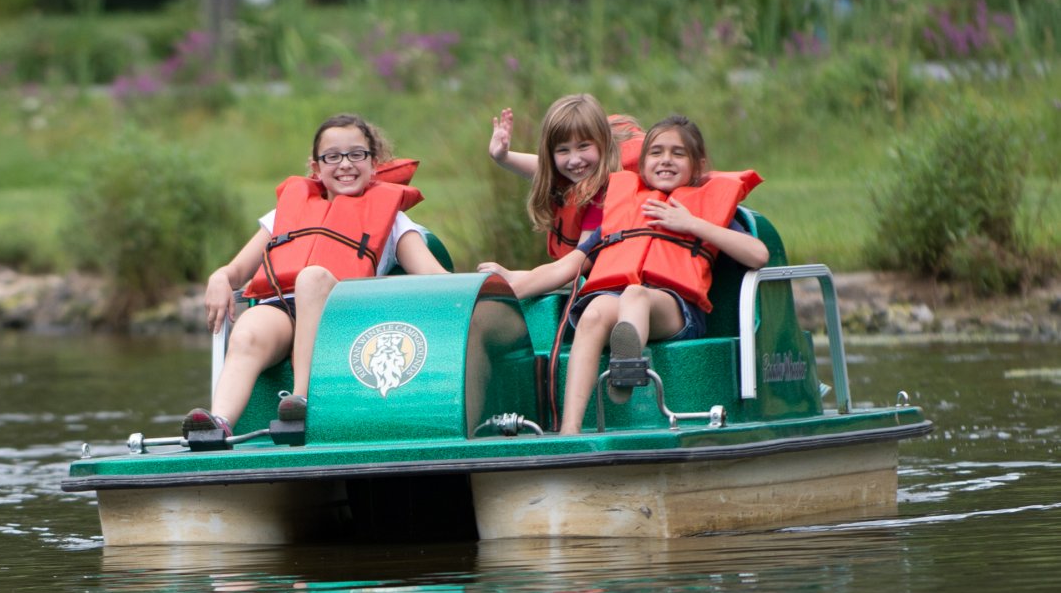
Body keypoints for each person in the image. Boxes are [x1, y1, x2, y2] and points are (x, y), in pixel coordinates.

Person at [480, 114, 768, 435]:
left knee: (635, 294)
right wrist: (506, 287)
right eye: (656, 153)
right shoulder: (624, 212)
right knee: (594, 311)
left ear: (698, 165)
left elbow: (758, 254)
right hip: (619, 303)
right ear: (642, 164)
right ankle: (570, 429)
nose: (666, 161)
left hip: (675, 312)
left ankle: (626, 369)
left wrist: (691, 224)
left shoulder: (703, 210)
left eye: (678, 153)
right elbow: (565, 268)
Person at [182, 114, 449, 438]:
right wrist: (220, 277)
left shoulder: (394, 221)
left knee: (312, 278)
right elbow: (238, 270)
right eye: (332, 156)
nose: (345, 165)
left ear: (374, 162)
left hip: (344, 320)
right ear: (315, 167)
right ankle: (218, 424)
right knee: (249, 332)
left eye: (356, 154)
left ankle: (301, 401)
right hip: (284, 309)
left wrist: (495, 286)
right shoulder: (286, 212)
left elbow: (434, 277)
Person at [487, 94, 637, 260]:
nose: (574, 160)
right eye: (563, 150)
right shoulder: (583, 169)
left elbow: (574, 268)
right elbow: (543, 169)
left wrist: (514, 278)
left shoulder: (606, 192)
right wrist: (502, 157)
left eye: (583, 146)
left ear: (603, 141)